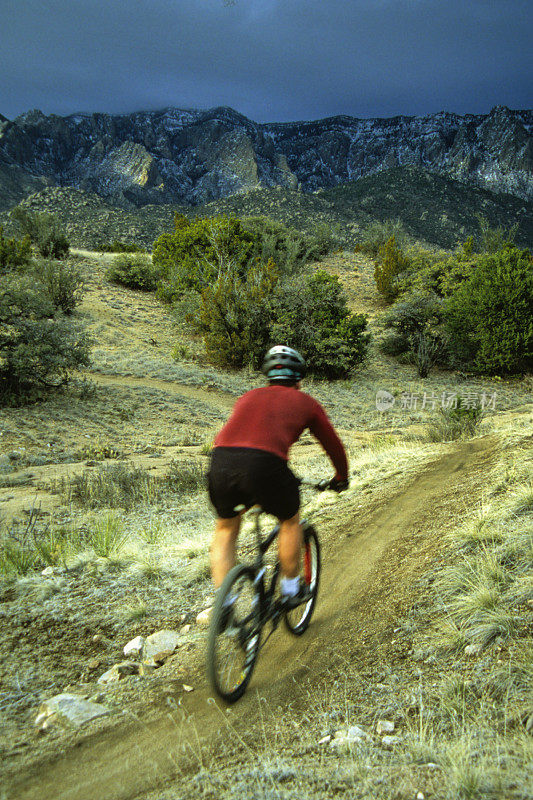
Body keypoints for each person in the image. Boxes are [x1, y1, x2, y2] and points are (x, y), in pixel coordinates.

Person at [208, 345, 349, 608]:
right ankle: (291, 590)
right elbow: (334, 445)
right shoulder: (306, 402)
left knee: (226, 527)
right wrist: (341, 476)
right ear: (299, 377)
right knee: (289, 519)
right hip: (265, 465)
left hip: (220, 462)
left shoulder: (247, 397)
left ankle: (224, 606)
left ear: (268, 374)